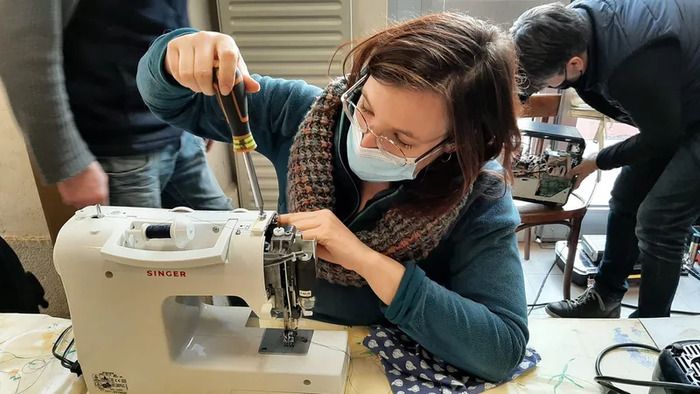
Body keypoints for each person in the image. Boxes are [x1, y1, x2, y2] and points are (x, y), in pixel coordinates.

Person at [137, 13, 528, 381]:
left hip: (380, 362)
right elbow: (170, 100)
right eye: (367, 109)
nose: (368, 139)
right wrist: (173, 57)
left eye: (401, 140)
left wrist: (366, 261)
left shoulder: (479, 196)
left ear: (454, 145)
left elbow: (500, 351)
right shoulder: (305, 115)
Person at [511, 0, 700, 318]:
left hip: (682, 109)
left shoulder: (631, 66)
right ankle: (605, 297)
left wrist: (594, 163)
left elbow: (660, 137)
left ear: (573, 64)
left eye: (547, 82)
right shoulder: (574, 23)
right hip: (676, 98)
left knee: (659, 219)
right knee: (625, 197)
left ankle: (649, 328)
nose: (546, 87)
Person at [0, 1, 231, 210]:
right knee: (138, 256)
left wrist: (195, 106)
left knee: (229, 240)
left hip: (178, 129)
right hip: (116, 151)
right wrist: (69, 165)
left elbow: (168, 19)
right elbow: (24, 50)